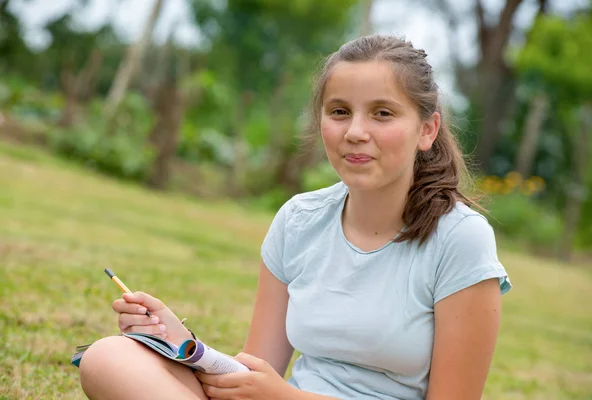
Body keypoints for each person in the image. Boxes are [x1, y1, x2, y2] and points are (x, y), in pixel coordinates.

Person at [78, 34, 512, 400]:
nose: (355, 131)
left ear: (427, 130)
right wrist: (183, 343)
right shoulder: (299, 220)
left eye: (382, 113)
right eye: (339, 111)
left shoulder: (460, 239)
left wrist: (286, 397)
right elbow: (254, 371)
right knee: (107, 358)